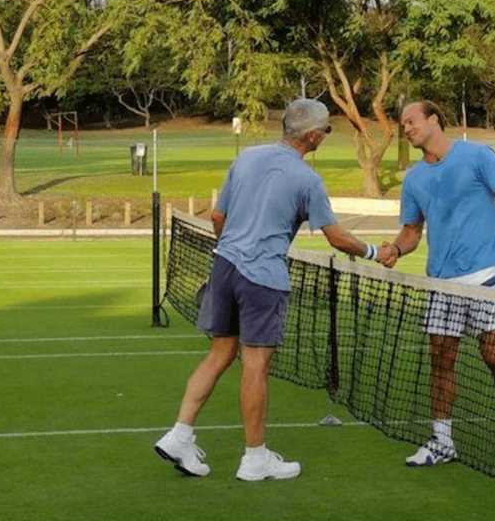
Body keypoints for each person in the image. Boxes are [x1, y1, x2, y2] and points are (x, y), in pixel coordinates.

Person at [154, 99, 385, 481]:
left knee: (219, 354)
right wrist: (377, 252)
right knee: (256, 365)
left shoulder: (247, 157)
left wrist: (233, 252)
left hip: (224, 267)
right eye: (325, 131)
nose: (326, 137)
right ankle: (255, 458)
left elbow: (217, 217)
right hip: (262, 278)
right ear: (311, 135)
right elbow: (337, 238)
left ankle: (180, 434)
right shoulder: (308, 180)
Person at [377, 100, 495, 468]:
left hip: (485, 277)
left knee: (493, 356)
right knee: (441, 359)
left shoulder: (478, 156)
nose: (407, 128)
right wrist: (397, 249)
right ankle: (442, 440)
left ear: (435, 120)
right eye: (403, 124)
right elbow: (412, 231)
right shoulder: (414, 179)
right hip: (443, 284)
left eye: (412, 121)